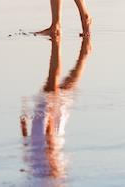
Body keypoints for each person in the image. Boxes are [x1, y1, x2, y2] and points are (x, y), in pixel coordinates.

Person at [20, 33, 93, 180]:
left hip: (44, 124)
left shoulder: (36, 172)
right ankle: (82, 55)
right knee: (60, 86)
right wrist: (50, 116)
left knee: (60, 86)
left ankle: (81, 55)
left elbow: (28, 149)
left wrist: (24, 127)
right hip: (48, 125)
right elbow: (46, 143)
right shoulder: (42, 172)